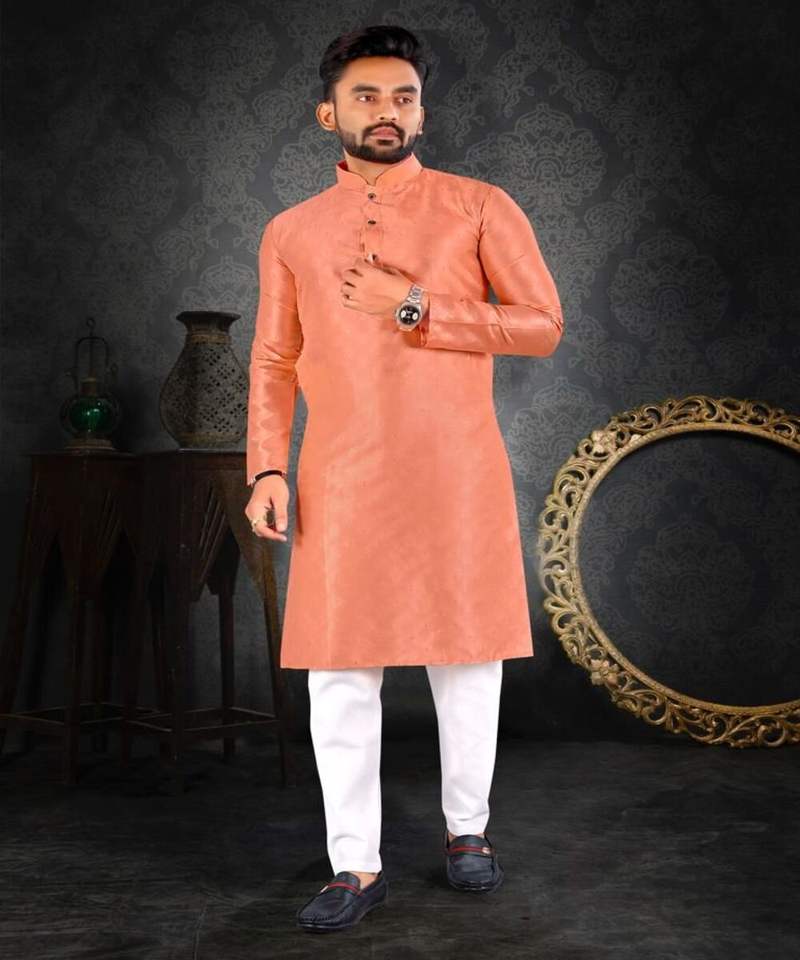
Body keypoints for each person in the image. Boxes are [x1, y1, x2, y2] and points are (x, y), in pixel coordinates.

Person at [244, 24, 563, 933]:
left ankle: (469, 832)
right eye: (367, 97)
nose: (387, 113)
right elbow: (274, 359)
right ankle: (355, 864)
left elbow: (542, 324)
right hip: (340, 474)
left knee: (467, 659)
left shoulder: (478, 206)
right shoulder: (291, 230)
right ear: (328, 114)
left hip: (456, 468)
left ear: (422, 111)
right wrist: (267, 465)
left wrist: (415, 303)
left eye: (403, 97)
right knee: (340, 670)